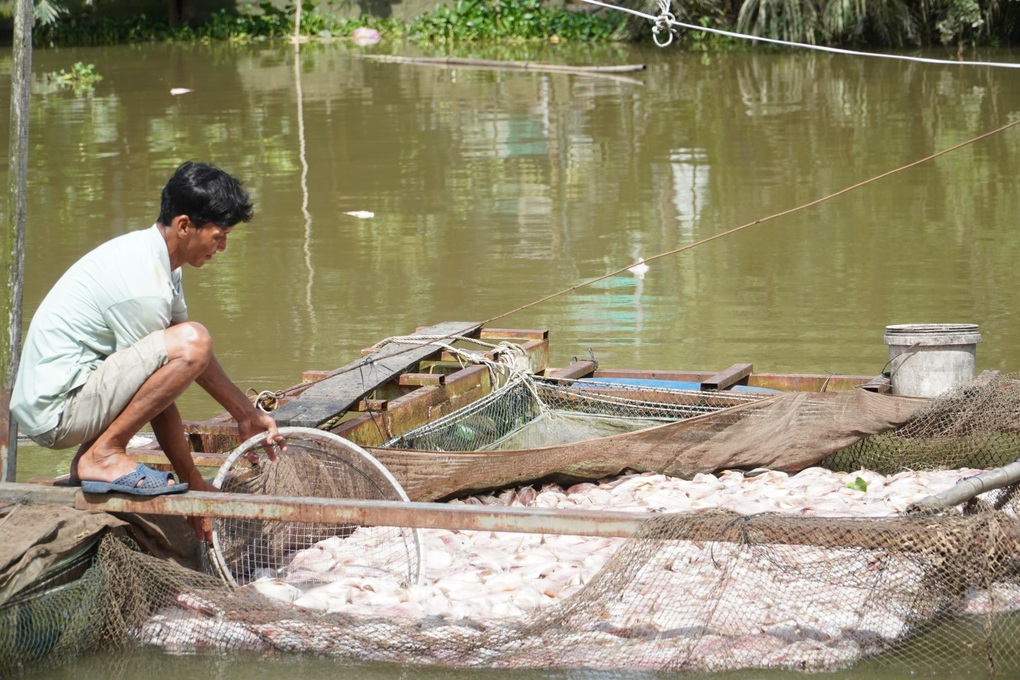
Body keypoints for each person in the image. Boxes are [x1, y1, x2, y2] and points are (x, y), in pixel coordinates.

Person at [10, 161, 285, 509]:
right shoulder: (144, 285)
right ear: (185, 225)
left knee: (189, 341)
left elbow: (180, 357)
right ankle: (103, 455)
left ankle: (95, 455)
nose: (222, 248)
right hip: (58, 413)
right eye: (219, 237)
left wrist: (246, 414)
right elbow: (160, 386)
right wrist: (193, 481)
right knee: (193, 340)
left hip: (70, 396)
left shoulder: (158, 261)